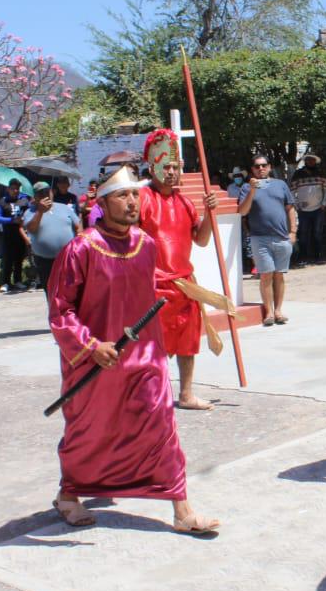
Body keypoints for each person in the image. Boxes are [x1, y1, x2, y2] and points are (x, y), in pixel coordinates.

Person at [46, 165, 219, 534]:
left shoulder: (147, 244)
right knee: (88, 432)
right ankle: (68, 494)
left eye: (135, 195)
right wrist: (91, 346)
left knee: (162, 425)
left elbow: (158, 285)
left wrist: (195, 293)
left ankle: (181, 509)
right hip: (97, 360)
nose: (132, 202)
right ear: (103, 204)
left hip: (145, 356)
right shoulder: (80, 249)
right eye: (122, 196)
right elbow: (61, 310)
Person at [137, 129, 225, 410]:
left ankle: (186, 394)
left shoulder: (185, 202)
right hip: (153, 285)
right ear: (153, 167)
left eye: (176, 167)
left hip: (184, 284)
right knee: (154, 347)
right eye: (167, 166)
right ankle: (155, 395)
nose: (173, 172)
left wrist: (211, 214)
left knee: (188, 344)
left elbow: (201, 240)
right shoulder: (141, 199)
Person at [237, 155, 297, 326]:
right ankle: (268, 312)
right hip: (259, 238)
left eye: (264, 165)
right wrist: (252, 191)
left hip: (282, 237)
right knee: (266, 275)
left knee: (279, 275)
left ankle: (278, 311)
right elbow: (242, 212)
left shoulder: (280, 185)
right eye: (257, 166)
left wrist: (293, 232)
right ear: (252, 170)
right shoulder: (246, 188)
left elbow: (290, 208)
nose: (261, 168)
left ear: (269, 167)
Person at [22, 182, 80, 293]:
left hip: (68, 259)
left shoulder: (64, 208)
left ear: (52, 192)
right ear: (35, 197)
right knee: (51, 292)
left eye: (47, 191)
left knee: (71, 291)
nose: (45, 195)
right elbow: (31, 229)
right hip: (45, 262)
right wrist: (40, 211)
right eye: (41, 193)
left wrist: (78, 245)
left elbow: (78, 226)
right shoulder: (30, 212)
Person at [290, 152, 326, 265]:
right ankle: (303, 257)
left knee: (317, 233)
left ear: (315, 161)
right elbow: (292, 191)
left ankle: (318, 257)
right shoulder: (298, 174)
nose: (310, 162)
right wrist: (297, 205)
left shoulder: (321, 173)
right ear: (305, 161)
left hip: (318, 209)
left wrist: (324, 203)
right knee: (303, 233)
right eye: (308, 160)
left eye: (312, 160)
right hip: (303, 210)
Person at [0, 179, 30, 292]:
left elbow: (30, 212)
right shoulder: (2, 202)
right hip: (8, 235)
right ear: (8, 189)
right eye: (13, 188)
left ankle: (18, 281)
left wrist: (25, 218)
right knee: (8, 259)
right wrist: (12, 220)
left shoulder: (24, 200)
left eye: (17, 189)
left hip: (21, 234)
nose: (15, 191)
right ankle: (5, 282)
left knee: (19, 258)